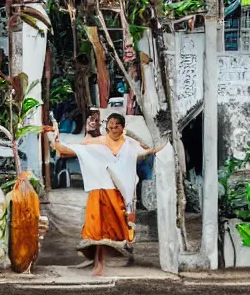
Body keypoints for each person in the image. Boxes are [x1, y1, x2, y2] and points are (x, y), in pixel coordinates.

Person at [51, 113, 166, 276]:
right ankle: (99, 263)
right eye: (111, 124)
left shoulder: (129, 143)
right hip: (99, 190)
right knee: (97, 229)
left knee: (116, 229)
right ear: (107, 127)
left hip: (119, 193)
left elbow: (145, 152)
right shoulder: (99, 142)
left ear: (123, 127)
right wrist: (55, 138)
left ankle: (104, 259)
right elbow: (72, 150)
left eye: (117, 124)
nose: (113, 127)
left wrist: (163, 146)